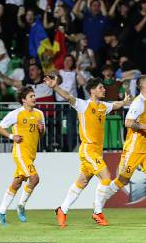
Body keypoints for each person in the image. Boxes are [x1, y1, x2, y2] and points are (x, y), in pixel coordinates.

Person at [49, 76, 131, 227]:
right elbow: (68, 96)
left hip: (96, 152)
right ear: (92, 91)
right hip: (88, 149)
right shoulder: (83, 105)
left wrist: (125, 102)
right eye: (101, 88)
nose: (104, 89)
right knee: (106, 177)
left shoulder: (103, 106)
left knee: (82, 182)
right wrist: (55, 87)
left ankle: (62, 209)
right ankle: (98, 212)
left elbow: (115, 105)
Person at [100, 75, 146, 227]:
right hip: (134, 148)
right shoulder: (138, 102)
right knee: (122, 180)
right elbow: (128, 122)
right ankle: (98, 206)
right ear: (144, 86)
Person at [0, 87, 45, 225]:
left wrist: (42, 130)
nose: (34, 98)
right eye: (31, 96)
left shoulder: (40, 114)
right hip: (20, 153)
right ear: (24, 100)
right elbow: (0, 127)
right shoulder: (16, 114)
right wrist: (12, 136)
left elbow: (41, 134)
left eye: (34, 95)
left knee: (16, 184)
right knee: (35, 178)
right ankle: (21, 205)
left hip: (31, 154)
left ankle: (1, 211)